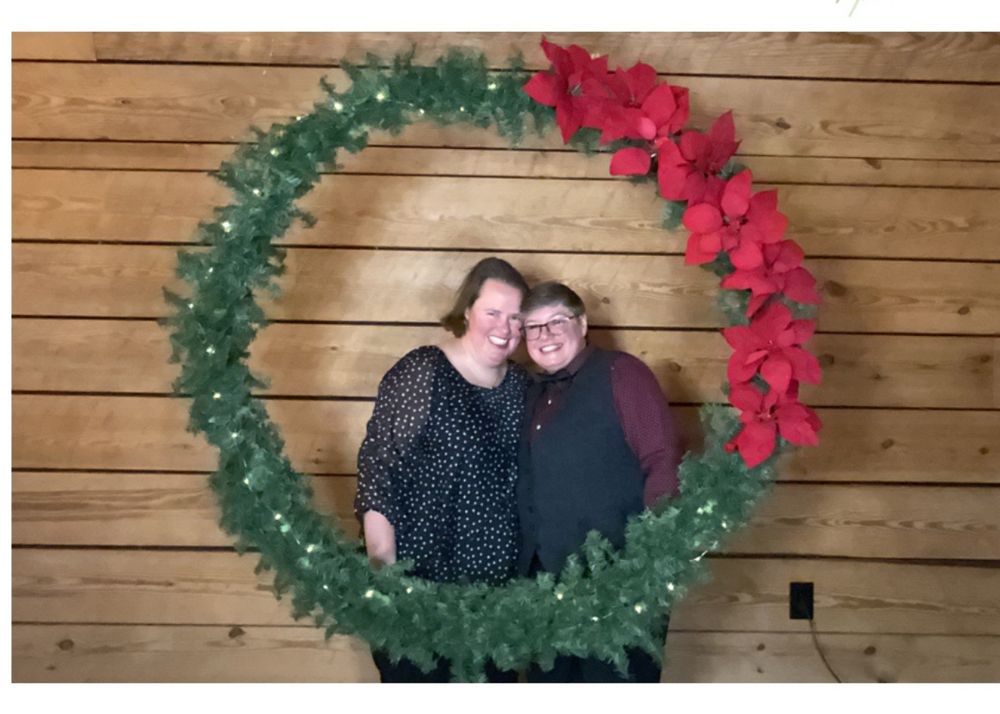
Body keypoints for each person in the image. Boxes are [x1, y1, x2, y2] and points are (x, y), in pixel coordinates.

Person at [354, 257, 530, 683]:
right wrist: (388, 579)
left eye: (516, 318)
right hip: (422, 593)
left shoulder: (524, 386)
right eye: (492, 312)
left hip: (497, 603)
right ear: (467, 310)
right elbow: (379, 471)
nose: (503, 327)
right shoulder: (424, 371)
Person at [516, 281, 682, 683]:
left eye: (557, 321)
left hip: (619, 589)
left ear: (583, 323)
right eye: (533, 327)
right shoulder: (531, 393)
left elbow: (662, 461)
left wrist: (648, 566)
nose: (545, 335)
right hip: (547, 591)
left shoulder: (622, 374)